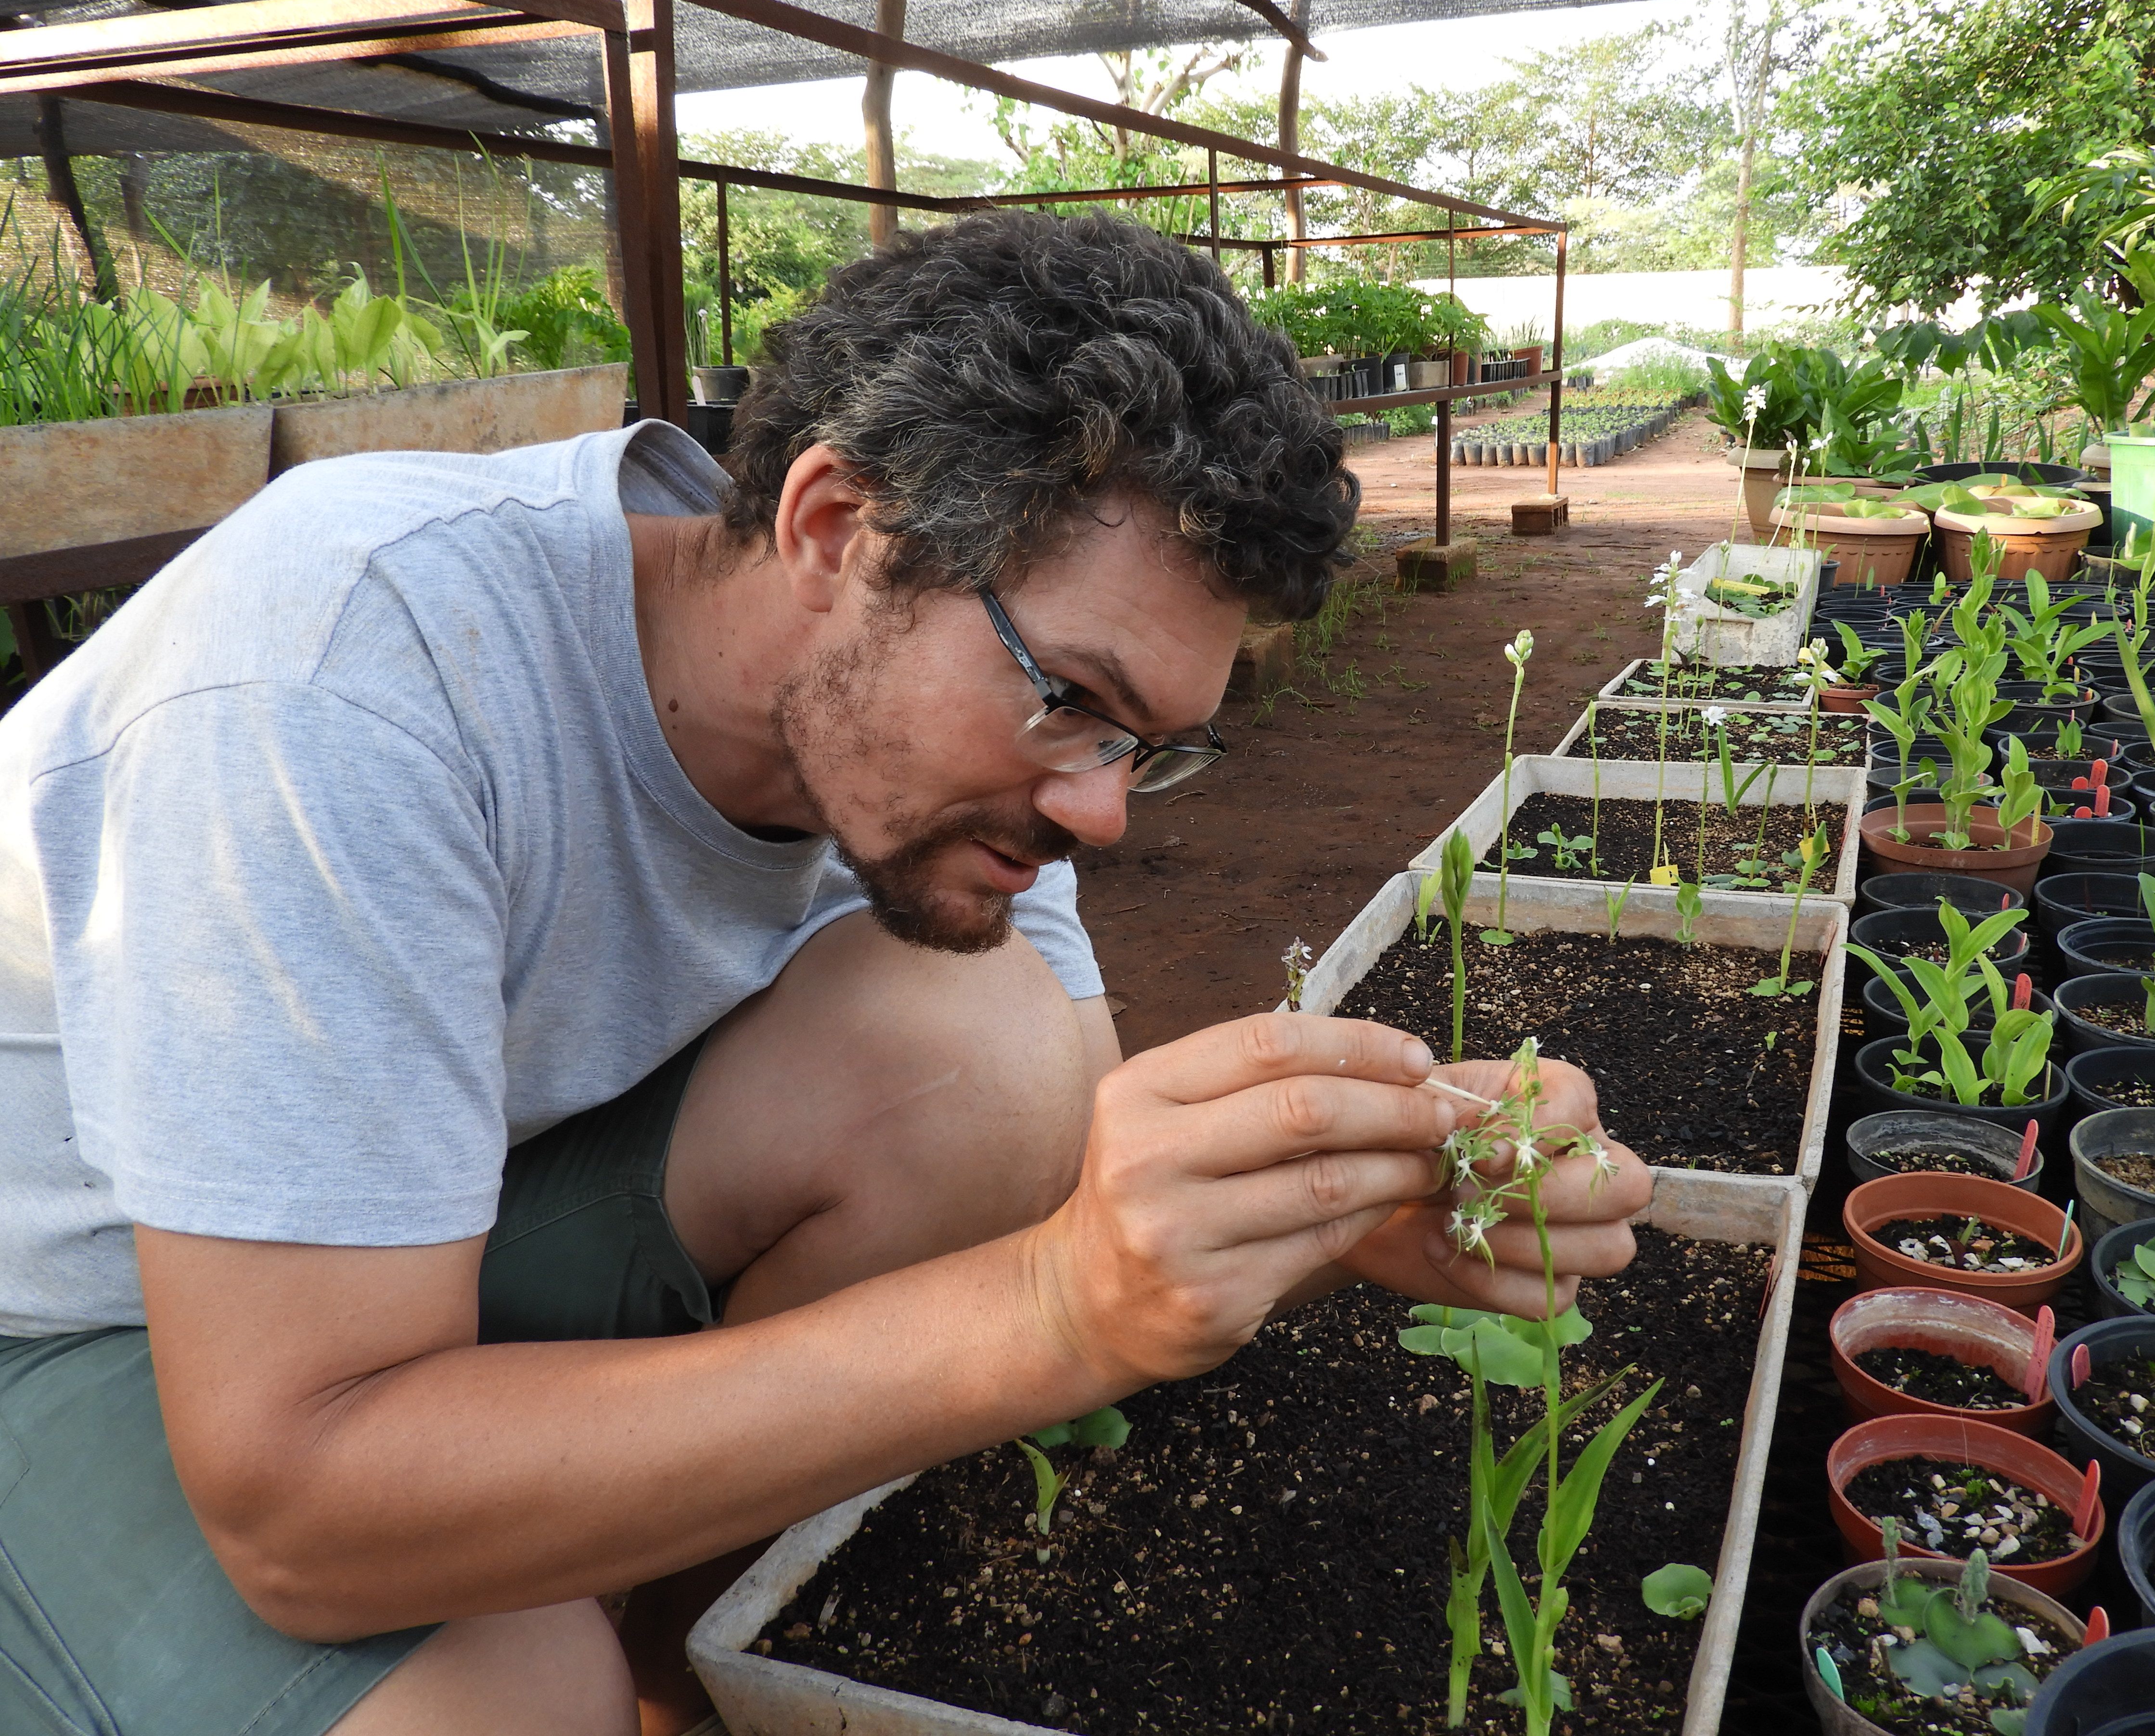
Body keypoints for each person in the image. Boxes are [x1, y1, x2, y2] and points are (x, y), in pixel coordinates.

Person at [0, 208, 1645, 1736]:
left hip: (432, 1220)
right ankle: (532, 1617)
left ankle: (639, 1638)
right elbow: (299, 1514)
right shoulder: (352, 672)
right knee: (506, 1707)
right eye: (1070, 697)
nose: (1100, 809)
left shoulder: (937, 780)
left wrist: (1336, 1201)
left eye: (1152, 746)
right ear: (838, 524)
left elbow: (1064, 1139)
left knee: (987, 1067)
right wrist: (1060, 1314)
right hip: (77, 1305)